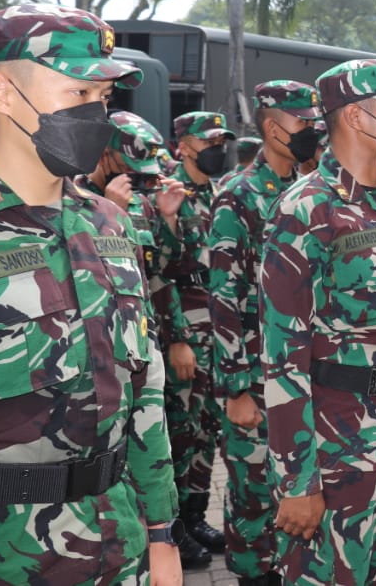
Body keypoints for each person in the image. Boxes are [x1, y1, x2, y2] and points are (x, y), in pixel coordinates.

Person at [0, 3, 181, 584]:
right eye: (78, 93)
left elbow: (145, 390)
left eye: (102, 98)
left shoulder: (110, 223)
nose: (96, 114)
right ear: (3, 94)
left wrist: (161, 533)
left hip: (121, 544)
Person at [260, 59, 376, 585]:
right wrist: (298, 481)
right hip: (338, 450)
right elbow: (283, 353)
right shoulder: (306, 209)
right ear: (358, 117)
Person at [210, 80, 323, 586]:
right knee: (253, 490)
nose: (312, 130)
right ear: (274, 128)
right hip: (255, 376)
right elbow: (223, 295)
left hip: (302, 373)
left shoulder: (314, 191)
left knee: (297, 487)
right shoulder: (238, 195)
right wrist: (235, 387)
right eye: (303, 121)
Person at [163, 111, 237, 560]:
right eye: (209, 142)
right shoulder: (165, 193)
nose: (217, 149)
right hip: (185, 333)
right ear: (185, 146)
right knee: (180, 429)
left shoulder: (219, 194)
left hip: (216, 332)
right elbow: (160, 272)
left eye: (221, 142)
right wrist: (177, 337)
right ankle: (171, 528)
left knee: (207, 428)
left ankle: (195, 516)